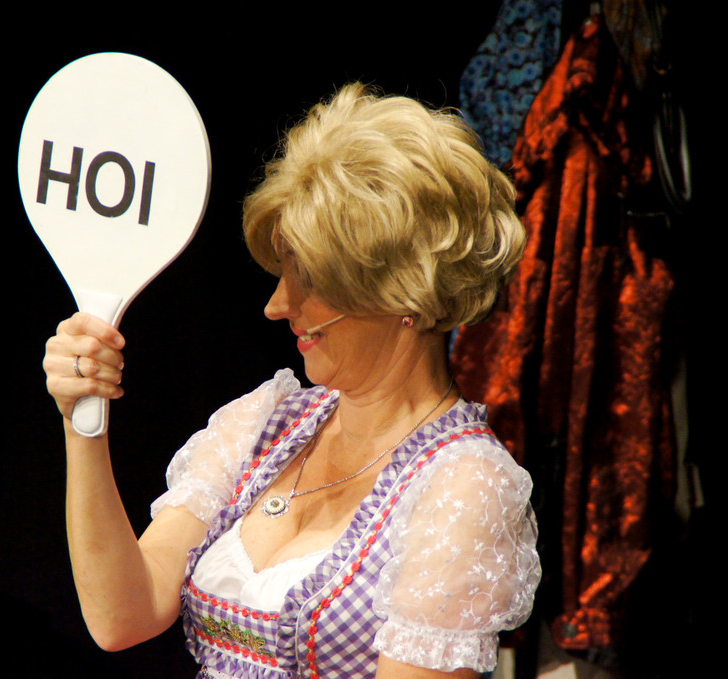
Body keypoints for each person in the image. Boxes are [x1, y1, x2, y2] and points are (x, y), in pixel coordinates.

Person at [43, 83, 540, 678]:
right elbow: (122, 614)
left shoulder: (463, 486)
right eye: (283, 272)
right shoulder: (267, 426)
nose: (277, 305)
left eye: (311, 279)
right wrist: (81, 422)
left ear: (403, 293)